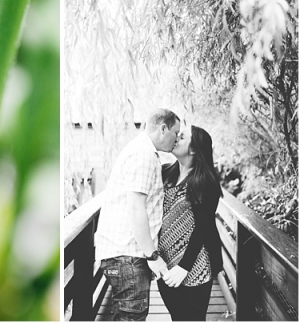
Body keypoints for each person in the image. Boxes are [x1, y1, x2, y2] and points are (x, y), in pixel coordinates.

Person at [95, 108, 180, 321]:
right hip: (128, 255)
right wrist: (153, 255)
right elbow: (136, 208)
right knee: (131, 317)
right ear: (163, 128)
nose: (176, 139)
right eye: (175, 133)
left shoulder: (142, 151)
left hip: (124, 254)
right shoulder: (143, 155)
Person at [157, 125, 223, 321]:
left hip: (194, 263)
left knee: (193, 318)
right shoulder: (164, 172)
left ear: (193, 149)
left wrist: (184, 267)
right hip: (166, 263)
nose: (175, 138)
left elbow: (202, 229)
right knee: (176, 316)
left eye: (182, 136)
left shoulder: (205, 181)